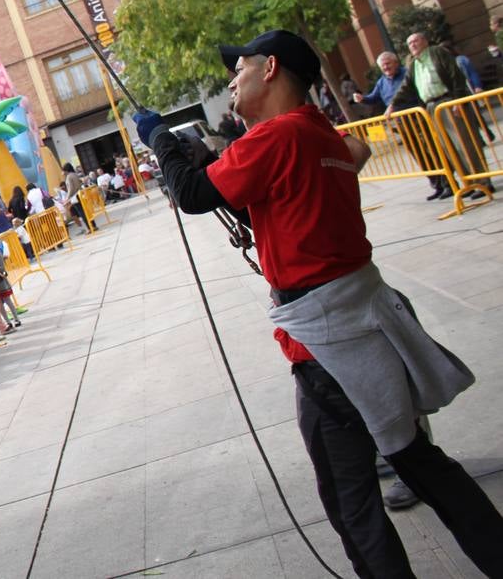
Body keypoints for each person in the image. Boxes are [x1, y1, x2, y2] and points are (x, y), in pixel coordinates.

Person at [135, 29, 503, 578]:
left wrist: (159, 138)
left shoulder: (276, 138)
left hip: (326, 345)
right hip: (368, 325)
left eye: (240, 68)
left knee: (352, 502)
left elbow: (192, 195)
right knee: (423, 463)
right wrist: (213, 153)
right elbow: (334, 160)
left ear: (270, 69)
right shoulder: (319, 134)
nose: (231, 80)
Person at [389, 32, 495, 199]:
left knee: (465, 144)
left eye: (416, 41)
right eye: (410, 43)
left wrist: (458, 101)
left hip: (449, 103)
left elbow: (455, 76)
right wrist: (392, 105)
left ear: (424, 41)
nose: (413, 45)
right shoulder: (414, 64)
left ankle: (482, 182)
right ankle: (469, 184)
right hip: (432, 107)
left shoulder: (437, 53)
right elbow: (406, 86)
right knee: (450, 149)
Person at [354, 50, 449, 200]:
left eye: (388, 63)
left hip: (417, 116)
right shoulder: (382, 81)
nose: (386, 67)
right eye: (383, 65)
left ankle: (447, 182)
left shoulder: (407, 74)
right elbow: (374, 98)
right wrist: (362, 99)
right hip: (401, 122)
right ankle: (436, 184)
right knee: (418, 153)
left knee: (431, 149)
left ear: (396, 63)